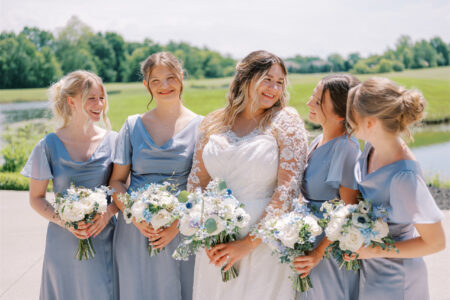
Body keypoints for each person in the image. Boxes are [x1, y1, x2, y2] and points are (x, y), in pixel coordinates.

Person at [187, 50, 308, 300]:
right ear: (245, 78)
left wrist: (248, 243)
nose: (274, 88)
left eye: (280, 82)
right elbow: (196, 183)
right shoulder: (213, 122)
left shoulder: (286, 120)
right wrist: (206, 230)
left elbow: (288, 189)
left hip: (265, 243)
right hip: (215, 244)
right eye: (267, 79)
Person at [109, 52, 202, 300]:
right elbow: (117, 181)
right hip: (135, 231)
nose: (164, 86)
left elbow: (202, 185)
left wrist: (177, 224)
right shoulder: (131, 126)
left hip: (181, 230)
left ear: (181, 78)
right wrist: (133, 215)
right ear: (146, 85)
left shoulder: (202, 127)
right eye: (155, 81)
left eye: (171, 78)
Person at [21, 70, 117, 300]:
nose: (99, 104)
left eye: (101, 98)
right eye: (91, 98)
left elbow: (124, 191)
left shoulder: (114, 141)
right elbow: (36, 198)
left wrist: (107, 214)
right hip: (62, 242)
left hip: (102, 238)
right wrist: (64, 221)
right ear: (71, 101)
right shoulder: (48, 145)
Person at [346, 77, 445, 300]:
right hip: (370, 272)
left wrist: (374, 251)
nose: (348, 119)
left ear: (370, 122)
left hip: (397, 281)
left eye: (351, 113)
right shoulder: (371, 146)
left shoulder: (404, 176)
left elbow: (436, 242)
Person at [293, 74, 361, 300]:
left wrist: (318, 253)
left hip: (328, 251)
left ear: (341, 114)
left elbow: (348, 208)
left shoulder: (346, 148)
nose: (309, 103)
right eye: (312, 97)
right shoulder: (318, 140)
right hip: (310, 242)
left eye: (318, 101)